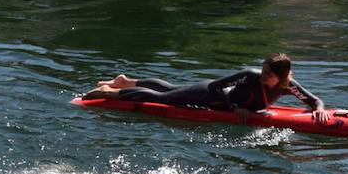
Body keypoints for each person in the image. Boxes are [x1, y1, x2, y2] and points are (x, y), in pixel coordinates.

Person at [85, 53, 331, 125]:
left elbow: (313, 100)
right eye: (263, 69)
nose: (263, 75)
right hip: (208, 96)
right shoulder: (249, 77)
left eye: (269, 74)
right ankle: (109, 92)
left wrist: (319, 110)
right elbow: (216, 86)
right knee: (164, 98)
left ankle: (125, 81)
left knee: (170, 88)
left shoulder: (289, 87)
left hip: (215, 97)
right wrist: (234, 107)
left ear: (281, 77)